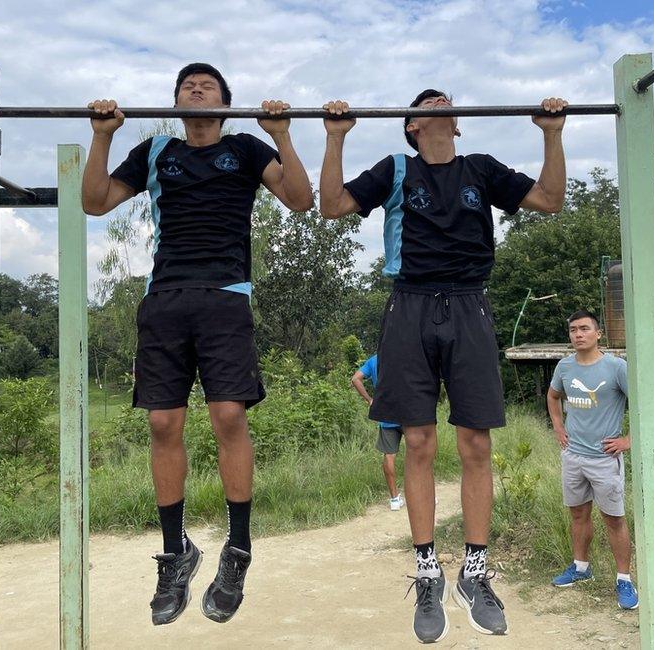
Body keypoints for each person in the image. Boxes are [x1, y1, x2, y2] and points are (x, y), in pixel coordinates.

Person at [319, 90, 567, 642]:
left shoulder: (480, 169)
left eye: (449, 101)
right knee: (419, 442)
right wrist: (335, 137)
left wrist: (551, 131)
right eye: (430, 101)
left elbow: (550, 199)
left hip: (471, 303)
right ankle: (428, 570)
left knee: (477, 444)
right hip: (408, 305)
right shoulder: (397, 170)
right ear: (411, 125)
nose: (443, 104)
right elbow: (332, 205)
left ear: (458, 126)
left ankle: (473, 572)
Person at [82, 63, 313, 626]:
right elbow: (95, 201)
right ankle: (176, 551)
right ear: (177, 103)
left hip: (225, 296)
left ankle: (238, 550)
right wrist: (102, 135)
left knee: (229, 414)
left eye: (207, 85)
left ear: (225, 104)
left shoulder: (247, 147)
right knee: (163, 424)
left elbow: (302, 200)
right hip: (165, 297)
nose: (196, 88)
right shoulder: (157, 149)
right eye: (187, 85)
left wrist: (282, 134)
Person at [546, 310, 639, 611]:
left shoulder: (616, 367)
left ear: (598, 334)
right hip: (573, 456)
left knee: (614, 519)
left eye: (584, 329)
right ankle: (581, 568)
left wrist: (629, 440)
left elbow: (643, 402)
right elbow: (553, 395)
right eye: (573, 330)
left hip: (604, 459)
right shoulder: (565, 366)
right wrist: (558, 427)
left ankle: (624, 579)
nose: (578, 334)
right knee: (577, 515)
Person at [352, 354, 405, 510]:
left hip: (386, 414)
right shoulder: (405, 354)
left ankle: (394, 499)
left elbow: (355, 379)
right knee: (418, 453)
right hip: (409, 412)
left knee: (389, 455)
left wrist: (370, 400)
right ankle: (426, 494)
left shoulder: (374, 360)